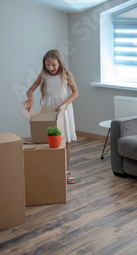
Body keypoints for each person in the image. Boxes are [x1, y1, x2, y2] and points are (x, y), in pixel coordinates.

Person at [22, 50, 79, 184]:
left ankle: (65, 172)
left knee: (64, 142)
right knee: (48, 141)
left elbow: (76, 93)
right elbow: (30, 90)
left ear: (59, 63)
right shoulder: (43, 76)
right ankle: (50, 171)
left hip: (63, 110)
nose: (51, 68)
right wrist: (30, 99)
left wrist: (64, 104)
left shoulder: (66, 75)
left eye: (53, 65)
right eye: (48, 65)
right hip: (49, 109)